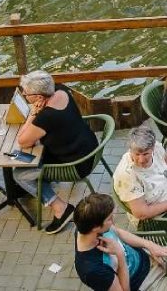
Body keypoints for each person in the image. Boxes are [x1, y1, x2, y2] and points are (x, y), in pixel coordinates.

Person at [12, 70, 100, 234]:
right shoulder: (61, 91)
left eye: (26, 93)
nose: (24, 94)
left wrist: (33, 114)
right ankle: (38, 185)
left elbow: (23, 141)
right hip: (89, 148)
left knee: (19, 174)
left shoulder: (46, 117)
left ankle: (61, 208)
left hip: (77, 165)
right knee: (35, 161)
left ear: (39, 97)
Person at [73, 193, 167, 291]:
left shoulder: (86, 228)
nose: (113, 221)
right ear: (95, 227)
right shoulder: (91, 270)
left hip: (148, 256)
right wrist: (120, 255)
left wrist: (149, 245)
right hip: (146, 283)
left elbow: (118, 232)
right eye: (109, 219)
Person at [112, 127, 167, 224]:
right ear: (130, 150)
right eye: (137, 154)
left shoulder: (156, 147)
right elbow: (141, 213)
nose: (141, 160)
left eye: (146, 154)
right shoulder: (127, 175)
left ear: (153, 148)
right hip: (157, 217)